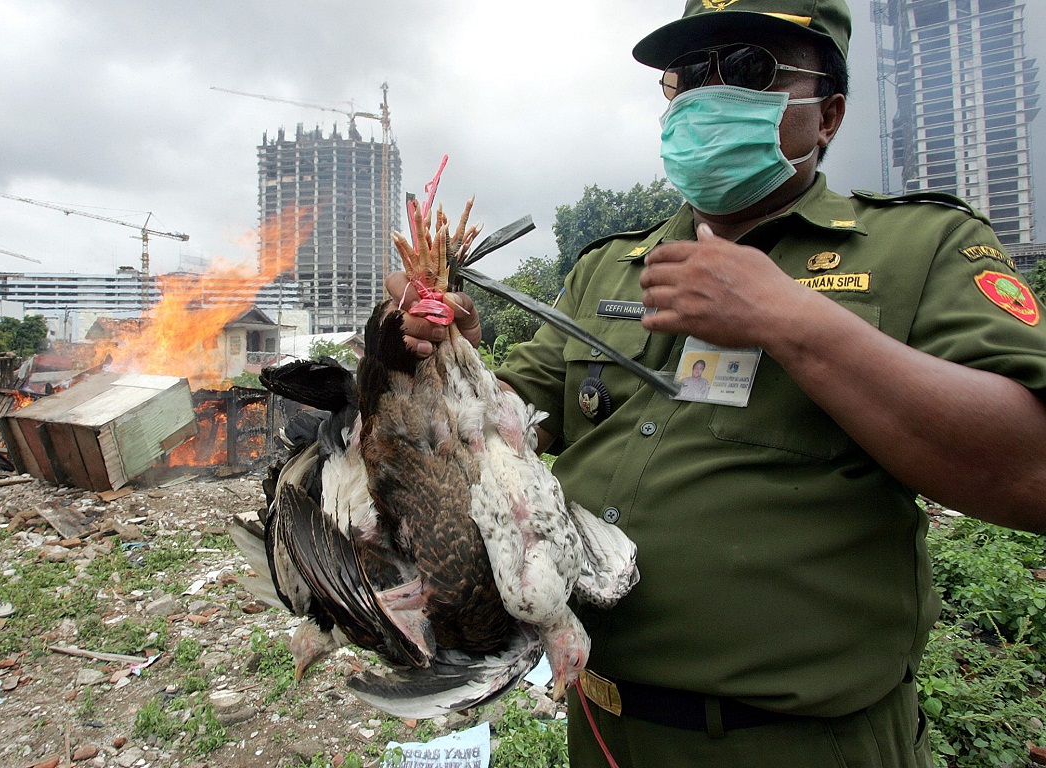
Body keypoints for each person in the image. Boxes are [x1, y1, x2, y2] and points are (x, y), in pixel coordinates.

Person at [386, 0, 1046, 765]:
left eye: (747, 69)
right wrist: (453, 359)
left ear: (827, 114)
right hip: (603, 727)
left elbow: (1030, 469)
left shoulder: (919, 247)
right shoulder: (608, 266)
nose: (706, 92)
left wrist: (792, 321)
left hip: (795, 745)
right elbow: (517, 424)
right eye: (688, 73)